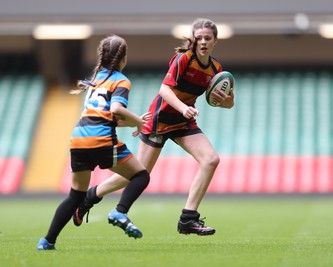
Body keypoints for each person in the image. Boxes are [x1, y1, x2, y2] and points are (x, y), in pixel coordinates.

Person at [73, 18, 234, 236]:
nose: (203, 42)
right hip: (160, 119)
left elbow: (225, 104)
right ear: (193, 40)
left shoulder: (215, 68)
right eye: (199, 38)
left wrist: (228, 99)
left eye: (208, 38)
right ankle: (90, 197)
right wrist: (183, 108)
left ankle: (188, 218)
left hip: (183, 121)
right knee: (138, 174)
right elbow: (164, 90)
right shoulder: (183, 59)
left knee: (211, 160)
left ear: (215, 41)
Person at [37, 35, 151, 250]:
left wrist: (132, 123)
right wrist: (139, 122)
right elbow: (116, 109)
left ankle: (47, 241)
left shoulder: (95, 78)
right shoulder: (121, 80)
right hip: (101, 140)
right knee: (140, 175)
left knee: (75, 195)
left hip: (79, 139)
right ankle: (120, 211)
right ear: (123, 58)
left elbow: (102, 115)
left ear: (102, 56)